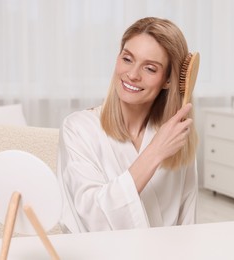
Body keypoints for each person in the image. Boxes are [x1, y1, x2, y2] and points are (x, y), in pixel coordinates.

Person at [57, 17, 199, 233]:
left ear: (168, 79)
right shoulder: (78, 129)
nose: (132, 75)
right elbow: (91, 218)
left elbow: (188, 224)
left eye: (150, 68)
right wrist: (154, 153)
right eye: (127, 59)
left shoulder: (175, 136)